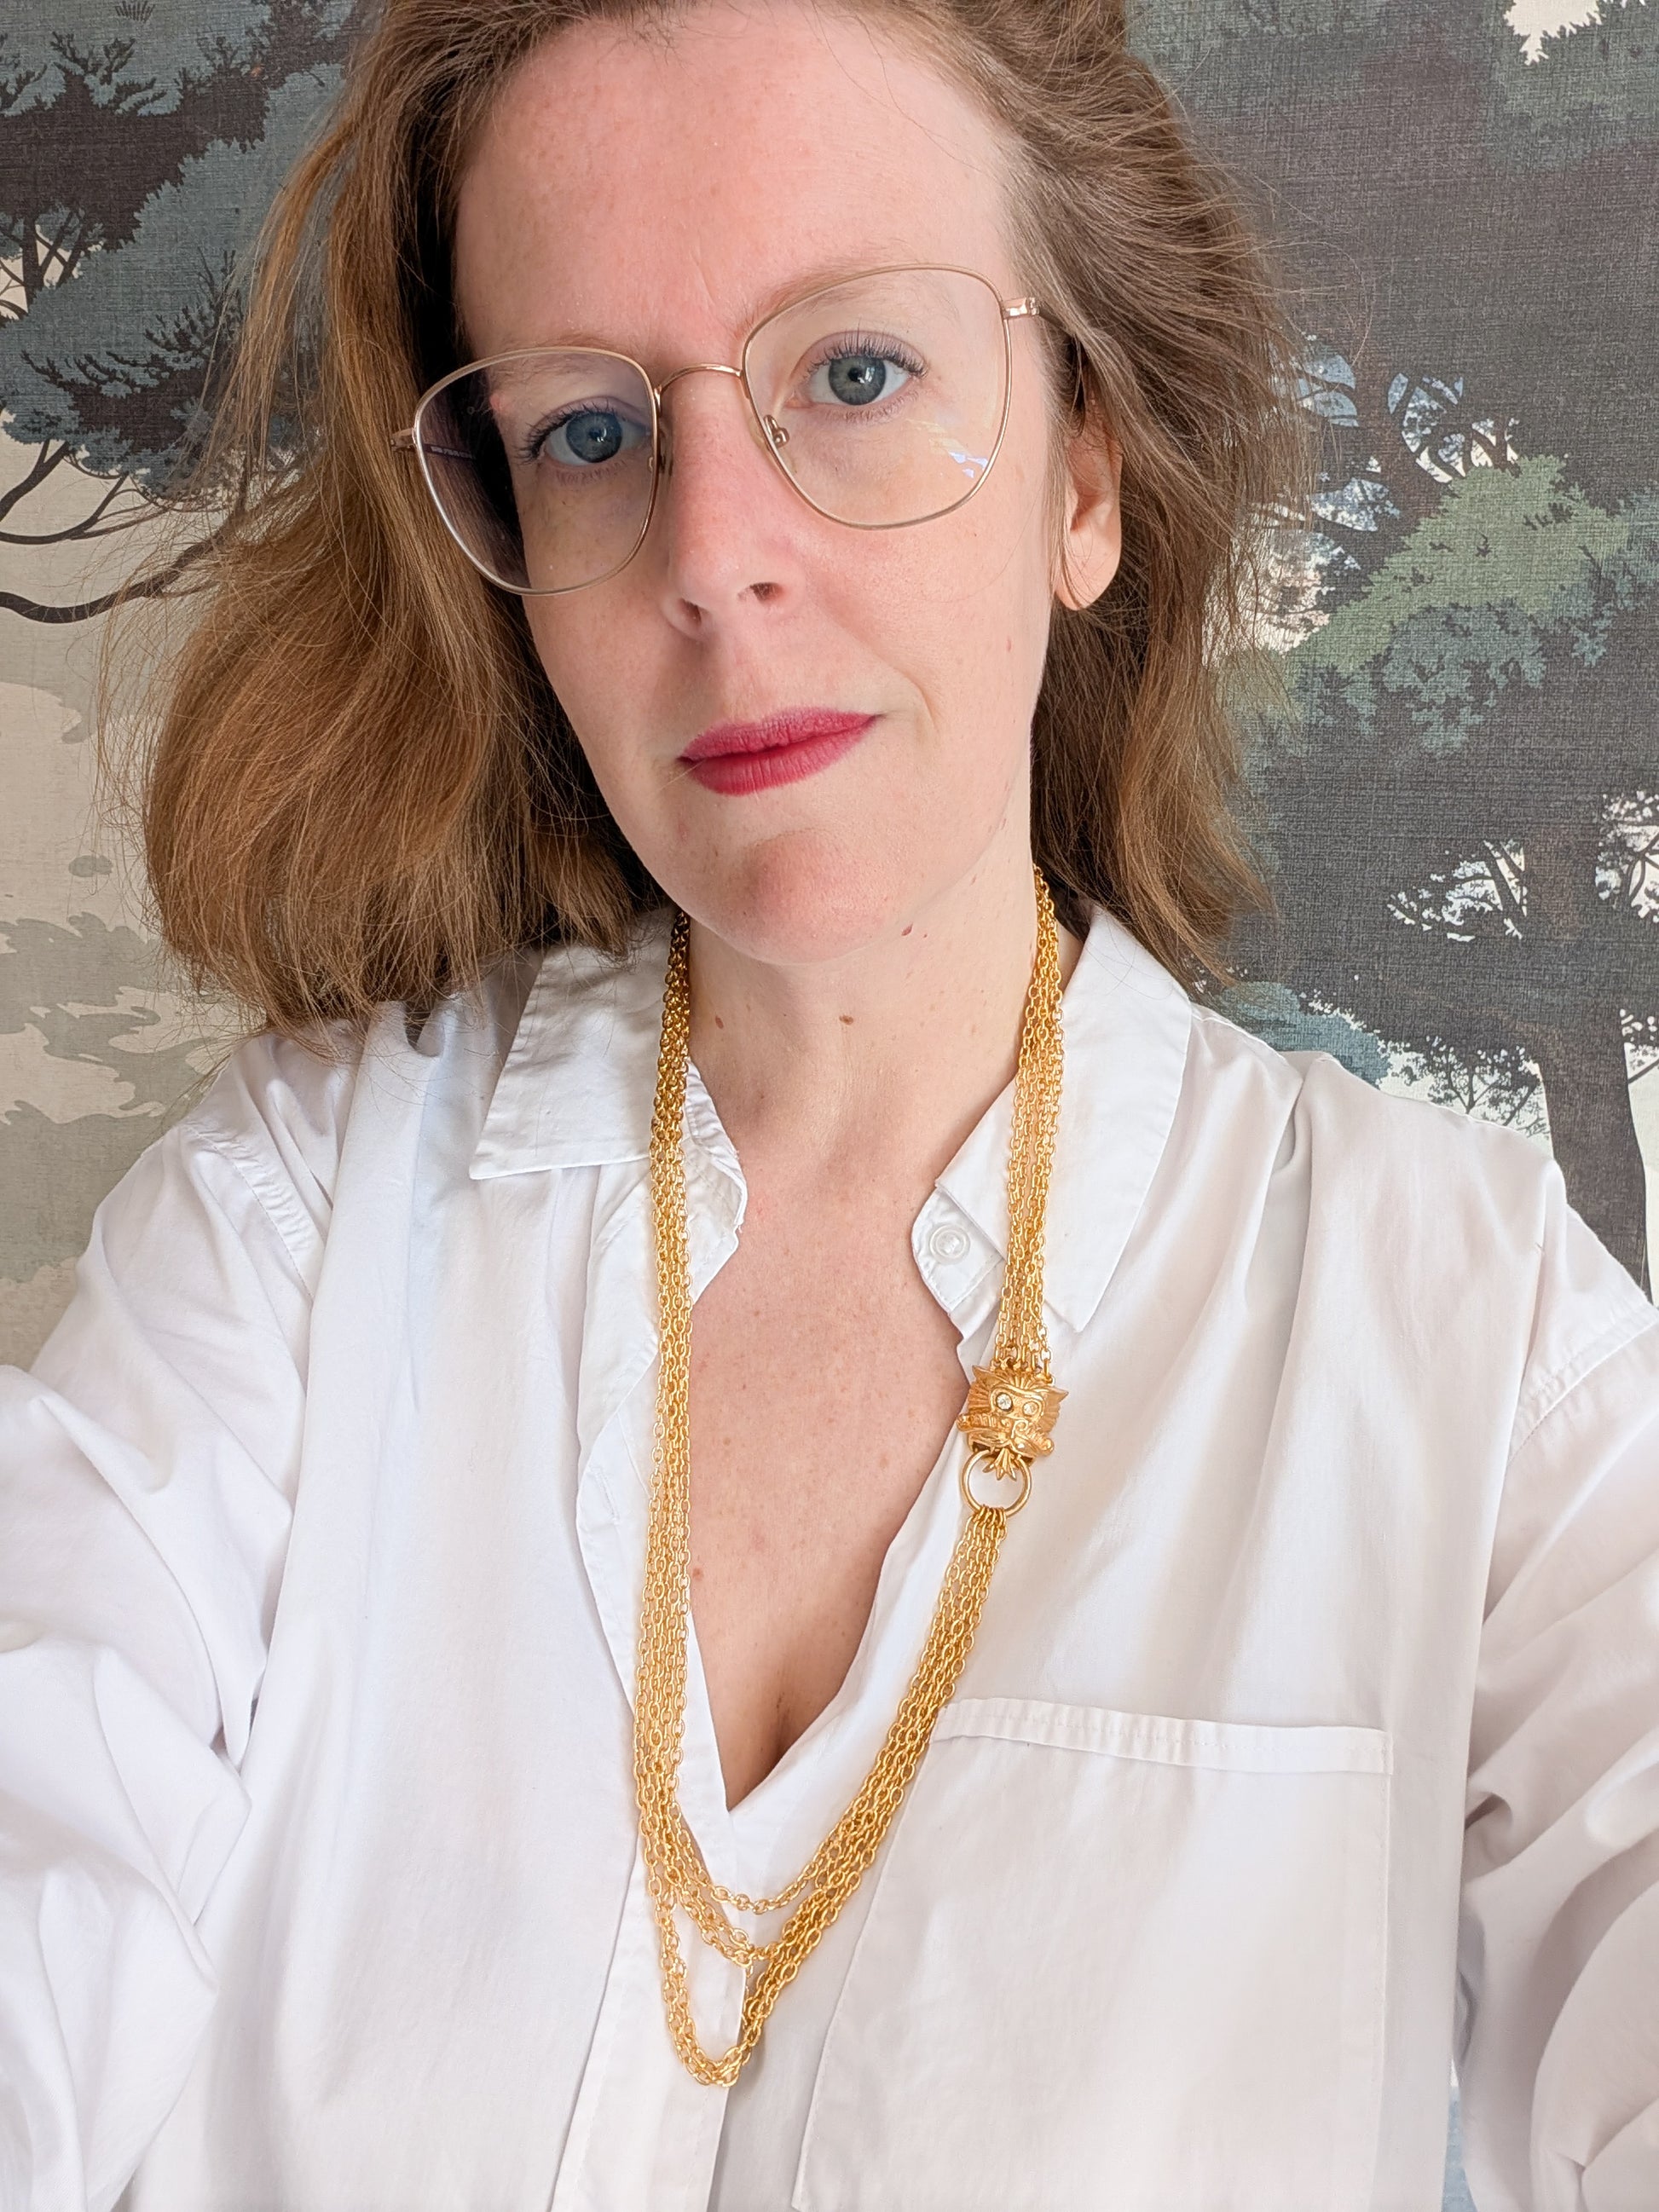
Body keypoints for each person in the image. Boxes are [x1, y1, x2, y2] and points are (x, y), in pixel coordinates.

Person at [2, 0, 1656, 2206]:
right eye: (591, 432)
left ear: (1083, 476)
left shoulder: (1472, 1340)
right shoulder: (284, 1244)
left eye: (855, 375)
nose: (710, 549)